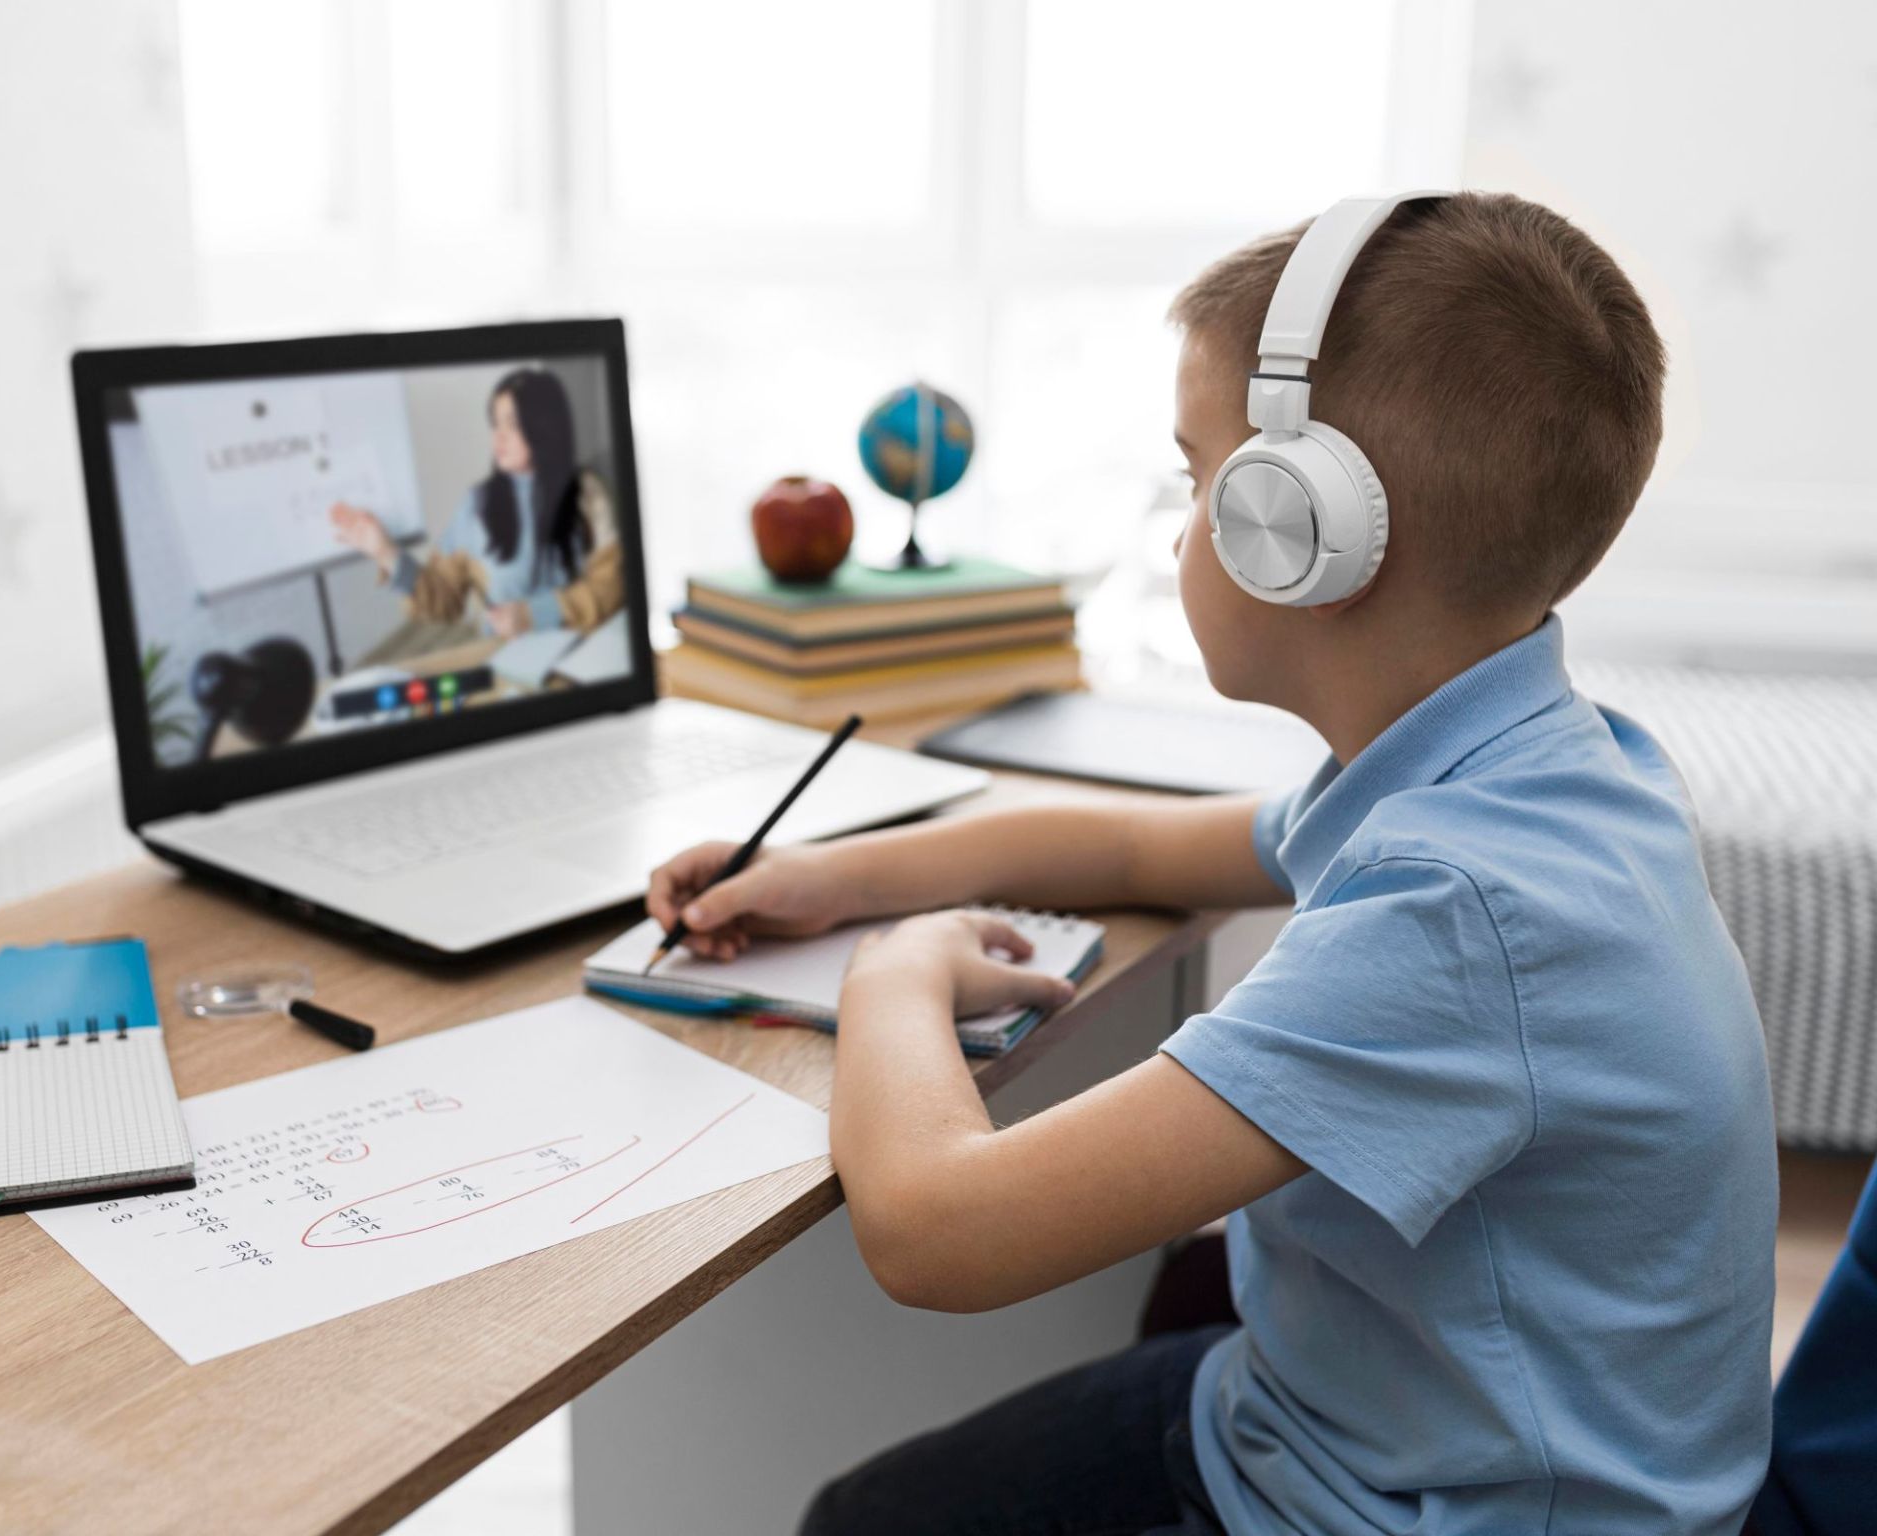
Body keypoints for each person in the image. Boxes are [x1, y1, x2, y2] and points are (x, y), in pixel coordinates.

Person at [646, 193, 1778, 1536]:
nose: (1186, 525)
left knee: (858, 1520)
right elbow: (1132, 841)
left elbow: (935, 1230)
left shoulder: (1455, 917)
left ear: (1302, 530)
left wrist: (893, 974)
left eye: (1199, 479)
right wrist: (842, 877)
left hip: (1401, 1506)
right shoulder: (1528, 767)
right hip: (1344, 1407)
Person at [330, 367, 625, 638]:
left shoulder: (587, 491)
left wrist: (536, 614)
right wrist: (386, 552)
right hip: (507, 656)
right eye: (494, 423)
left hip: (586, 647)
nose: (499, 436)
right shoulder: (477, 504)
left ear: (545, 425)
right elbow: (444, 597)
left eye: (513, 424)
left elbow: (611, 585)